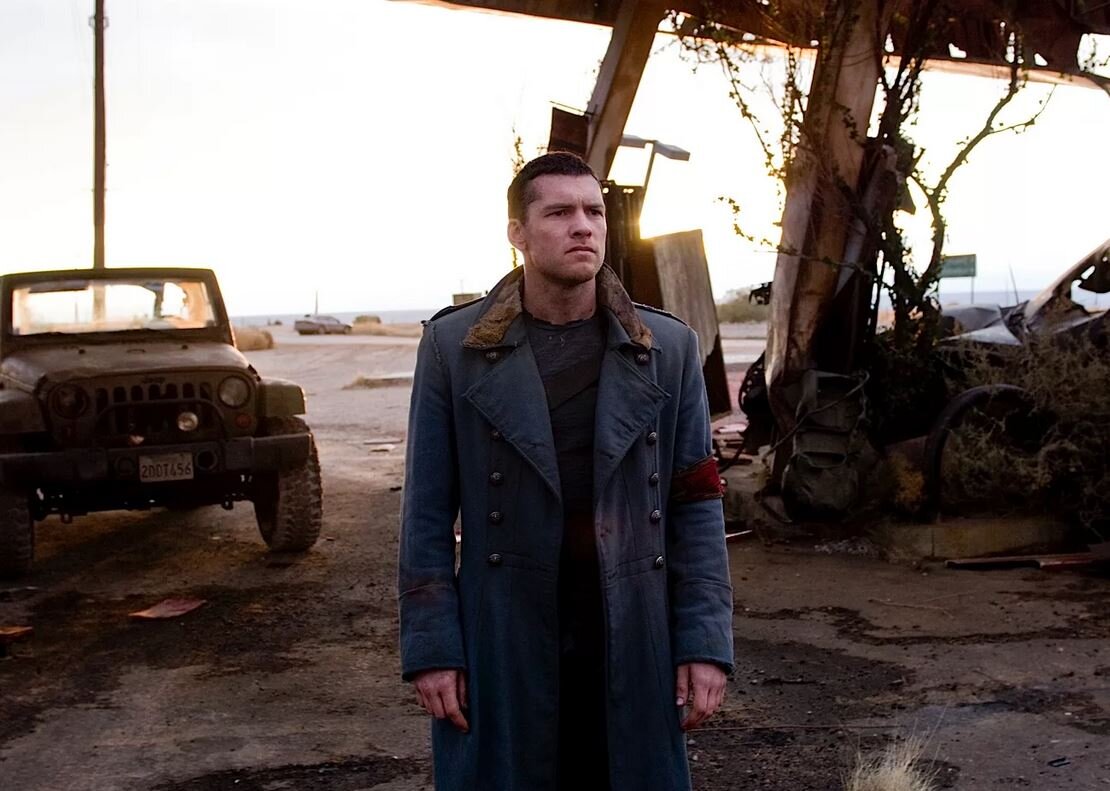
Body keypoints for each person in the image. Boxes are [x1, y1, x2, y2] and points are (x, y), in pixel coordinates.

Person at [398, 151, 734, 790]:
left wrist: (704, 643)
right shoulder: (453, 348)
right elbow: (426, 515)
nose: (582, 226)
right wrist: (434, 649)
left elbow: (695, 504)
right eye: (558, 213)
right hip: (503, 628)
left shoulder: (668, 348)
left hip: (631, 624)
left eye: (594, 212)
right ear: (518, 233)